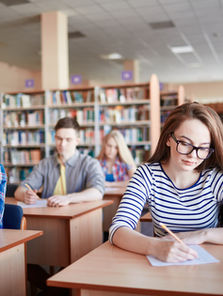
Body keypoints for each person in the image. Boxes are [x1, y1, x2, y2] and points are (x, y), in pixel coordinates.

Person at [109, 102, 223, 263]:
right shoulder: (147, 175)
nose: (193, 155)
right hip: (163, 262)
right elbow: (118, 230)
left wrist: (203, 234)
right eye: (185, 143)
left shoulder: (215, 179)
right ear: (169, 139)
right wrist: (154, 247)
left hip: (208, 264)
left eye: (203, 148)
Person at [15, 117, 105, 207]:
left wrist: (68, 198)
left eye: (68, 140)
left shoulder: (91, 163)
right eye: (59, 138)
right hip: (49, 215)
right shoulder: (44, 164)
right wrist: (25, 196)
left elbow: (97, 192)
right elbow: (20, 190)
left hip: (77, 216)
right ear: (55, 138)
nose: (62, 144)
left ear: (77, 141)